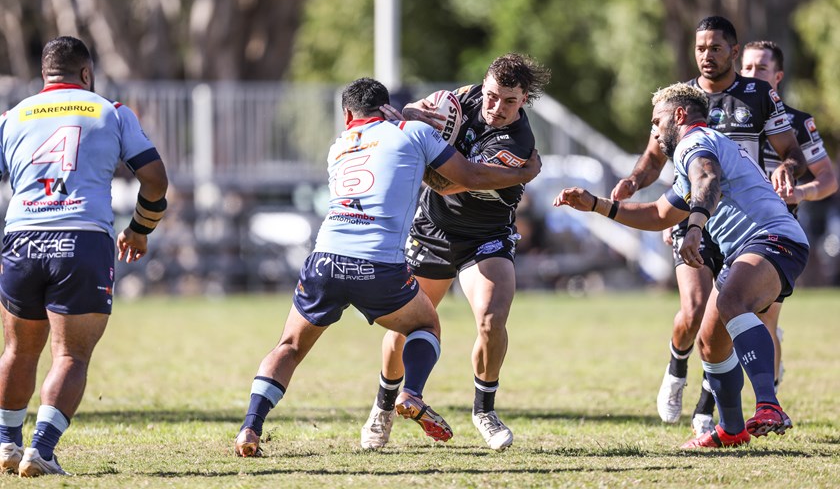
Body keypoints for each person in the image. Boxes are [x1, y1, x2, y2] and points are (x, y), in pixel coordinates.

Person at [233, 77, 541, 457]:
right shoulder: (412, 133)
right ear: (387, 108)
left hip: (324, 258)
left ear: (348, 114)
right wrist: (525, 174)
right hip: (379, 263)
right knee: (424, 325)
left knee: (290, 346)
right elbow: (467, 178)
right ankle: (408, 393)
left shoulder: (338, 148)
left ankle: (250, 425)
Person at [557, 82, 809, 448]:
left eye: (657, 122)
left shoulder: (695, 142)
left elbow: (708, 179)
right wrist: (597, 204)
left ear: (679, 116)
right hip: (751, 247)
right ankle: (732, 430)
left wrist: (694, 226)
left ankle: (769, 405)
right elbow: (660, 214)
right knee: (710, 342)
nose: (655, 133)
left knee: (729, 303)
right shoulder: (692, 155)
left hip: (772, 238)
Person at [610, 16, 805, 434]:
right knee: (699, 313)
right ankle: (678, 371)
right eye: (700, 48)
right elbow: (653, 160)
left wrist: (787, 168)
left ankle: (716, 411)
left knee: (730, 312)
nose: (706, 55)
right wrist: (628, 186)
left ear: (733, 51)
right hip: (695, 209)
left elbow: (783, 154)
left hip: (737, 219)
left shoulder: (757, 95)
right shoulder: (680, 99)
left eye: (715, 47)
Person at [360, 53, 551, 452]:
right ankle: (382, 408)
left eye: (509, 101)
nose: (496, 108)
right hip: (432, 230)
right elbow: (416, 109)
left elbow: (452, 182)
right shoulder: (463, 98)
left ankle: (484, 409)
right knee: (406, 324)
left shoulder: (518, 142)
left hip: (485, 235)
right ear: (483, 85)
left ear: (525, 99)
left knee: (491, 320)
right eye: (491, 95)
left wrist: (518, 173)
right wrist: (413, 114)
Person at [0, 36, 169, 477]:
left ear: (44, 76)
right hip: (81, 239)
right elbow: (154, 179)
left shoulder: (12, 117)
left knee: (18, 349)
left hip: (22, 238)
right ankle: (42, 449)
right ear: (87, 74)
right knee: (70, 355)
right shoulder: (111, 112)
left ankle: (5, 444)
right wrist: (140, 229)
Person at [688, 40, 838, 432]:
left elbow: (827, 179)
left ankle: (761, 406)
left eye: (762, 69)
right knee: (712, 318)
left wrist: (798, 192)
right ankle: (721, 407)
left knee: (755, 315)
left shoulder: (794, 121)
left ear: (778, 76)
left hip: (769, 234)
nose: (753, 75)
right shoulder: (717, 118)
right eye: (748, 67)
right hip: (722, 228)